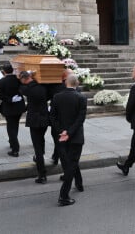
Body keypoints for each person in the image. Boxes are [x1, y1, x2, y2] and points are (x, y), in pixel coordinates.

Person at [50, 74, 87, 207]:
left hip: (61, 136)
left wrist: (62, 131)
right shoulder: (81, 98)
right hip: (75, 136)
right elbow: (80, 119)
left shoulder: (57, 97)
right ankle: (63, 195)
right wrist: (69, 132)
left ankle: (79, 183)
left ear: (66, 83)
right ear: (76, 84)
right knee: (72, 164)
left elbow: (52, 116)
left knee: (70, 162)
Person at [19, 70, 50, 184]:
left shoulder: (27, 89)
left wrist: (28, 76)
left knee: (37, 146)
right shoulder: (43, 88)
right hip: (44, 119)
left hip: (34, 121)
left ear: (24, 79)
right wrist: (32, 76)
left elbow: (21, 87)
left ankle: (42, 174)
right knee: (41, 140)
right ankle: (39, 157)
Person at [0, 64, 26, 157]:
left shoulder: (2, 81)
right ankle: (12, 142)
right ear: (12, 70)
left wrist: (10, 99)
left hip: (9, 107)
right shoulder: (18, 79)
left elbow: (0, 96)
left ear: (4, 71)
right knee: (15, 125)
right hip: (19, 107)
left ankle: (15, 149)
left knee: (10, 128)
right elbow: (23, 89)